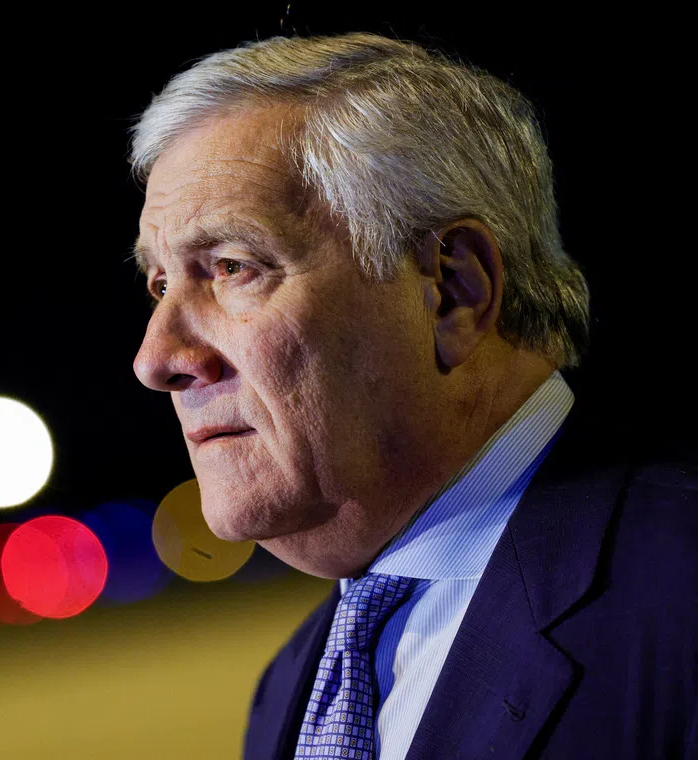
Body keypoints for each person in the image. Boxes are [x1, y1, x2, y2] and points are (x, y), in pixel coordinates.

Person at [128, 33, 696, 760]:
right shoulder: (288, 690)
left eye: (232, 267)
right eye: (161, 283)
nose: (157, 358)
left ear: (454, 291)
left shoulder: (680, 598)